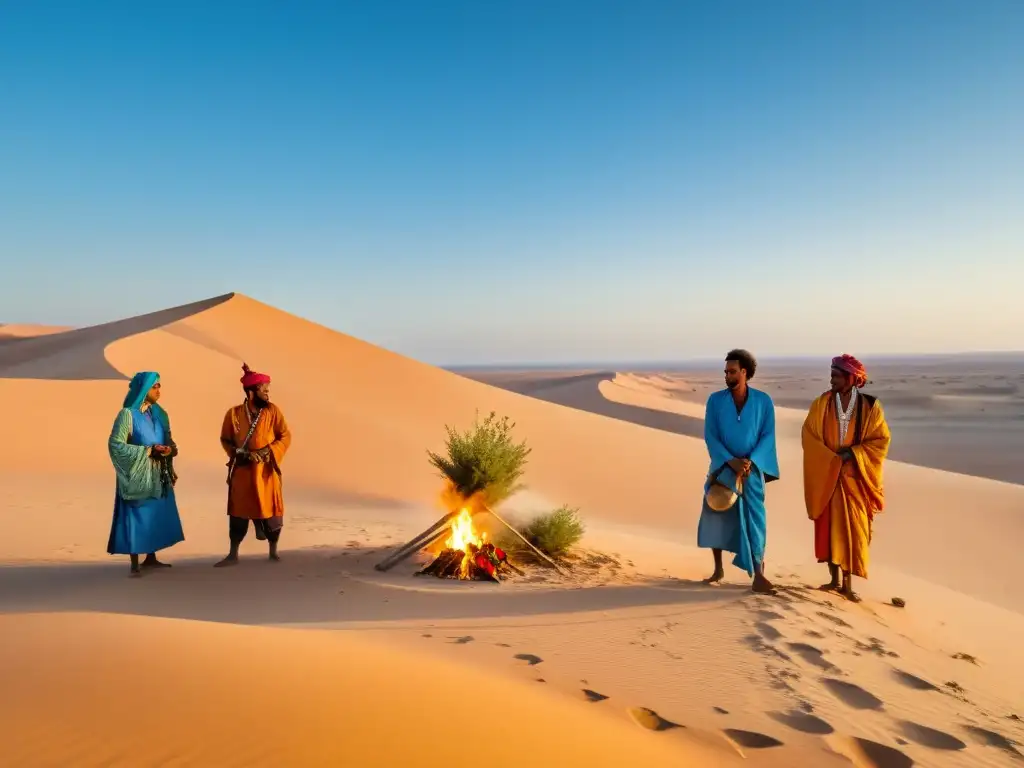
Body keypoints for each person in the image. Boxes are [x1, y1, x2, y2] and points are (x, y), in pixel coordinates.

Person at [801, 354, 891, 602]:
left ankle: (848, 585)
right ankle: (833, 580)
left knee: (853, 530)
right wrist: (829, 459)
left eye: (836, 376)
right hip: (827, 476)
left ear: (851, 378)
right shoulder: (822, 404)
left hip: (854, 478)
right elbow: (809, 434)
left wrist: (853, 453)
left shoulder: (870, 407)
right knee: (829, 528)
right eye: (831, 375)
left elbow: (880, 441)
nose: (832, 380)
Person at [697, 349, 780, 593]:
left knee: (756, 521)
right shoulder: (715, 400)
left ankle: (759, 574)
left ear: (745, 372)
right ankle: (718, 568)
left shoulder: (763, 401)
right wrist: (729, 461)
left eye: (732, 372)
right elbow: (710, 436)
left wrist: (749, 461)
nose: (728, 376)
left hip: (751, 471)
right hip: (723, 468)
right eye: (726, 372)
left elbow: (768, 436)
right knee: (717, 513)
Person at [107, 371, 185, 577]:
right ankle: (134, 563)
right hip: (136, 473)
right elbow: (115, 445)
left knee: (154, 513)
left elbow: (170, 442)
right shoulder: (127, 415)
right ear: (144, 389)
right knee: (135, 513)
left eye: (159, 386)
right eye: (155, 386)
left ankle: (151, 557)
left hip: (157, 473)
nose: (158, 390)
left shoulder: (159, 415)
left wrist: (169, 450)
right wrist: (148, 451)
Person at [215, 363, 292, 567]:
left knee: (272, 514)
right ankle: (233, 554)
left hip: (266, 472)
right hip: (242, 472)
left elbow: (284, 436)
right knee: (238, 514)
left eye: (268, 390)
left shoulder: (273, 411)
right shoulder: (233, 414)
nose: (267, 394)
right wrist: (236, 453)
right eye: (264, 390)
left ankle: (273, 552)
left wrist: (267, 451)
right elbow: (225, 439)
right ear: (251, 392)